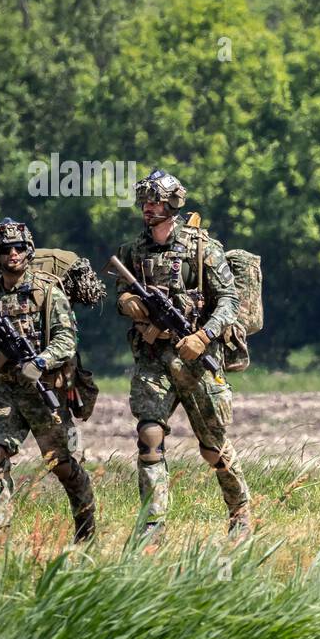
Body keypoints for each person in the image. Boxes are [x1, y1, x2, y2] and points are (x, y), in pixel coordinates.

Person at [114, 169, 251, 540]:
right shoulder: (133, 251)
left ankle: (240, 512)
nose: (148, 207)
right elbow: (120, 292)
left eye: (155, 200)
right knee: (149, 435)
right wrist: (127, 302)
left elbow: (230, 301)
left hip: (195, 359)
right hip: (153, 358)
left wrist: (204, 336)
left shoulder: (202, 248)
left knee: (213, 448)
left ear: (172, 203)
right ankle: (152, 523)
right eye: (144, 200)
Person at [0, 218, 96, 542]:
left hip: (43, 388)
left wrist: (41, 361)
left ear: (28, 250)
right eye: (5, 249)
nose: (13, 253)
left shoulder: (47, 291)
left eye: (18, 247)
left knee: (61, 464)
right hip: (5, 390)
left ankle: (86, 526)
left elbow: (67, 339)